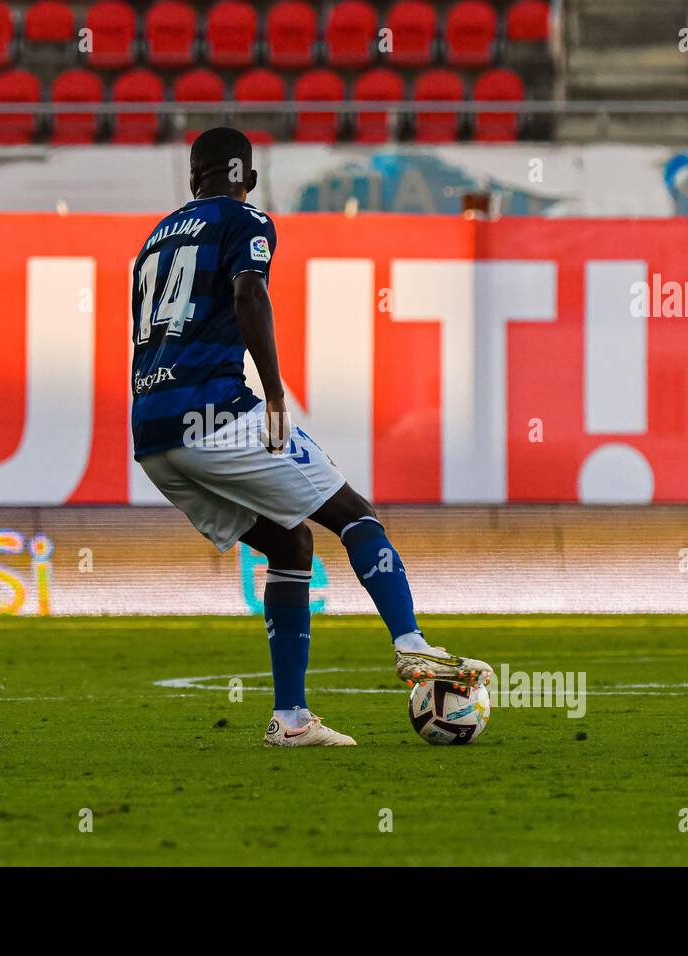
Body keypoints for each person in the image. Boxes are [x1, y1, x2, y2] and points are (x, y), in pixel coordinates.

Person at [131, 128, 493, 748]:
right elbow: (249, 291)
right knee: (354, 515)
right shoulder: (246, 219)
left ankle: (292, 720)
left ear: (194, 177)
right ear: (244, 172)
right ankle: (410, 646)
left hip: (152, 432)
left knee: (291, 546)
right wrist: (272, 391)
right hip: (216, 411)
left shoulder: (152, 242)